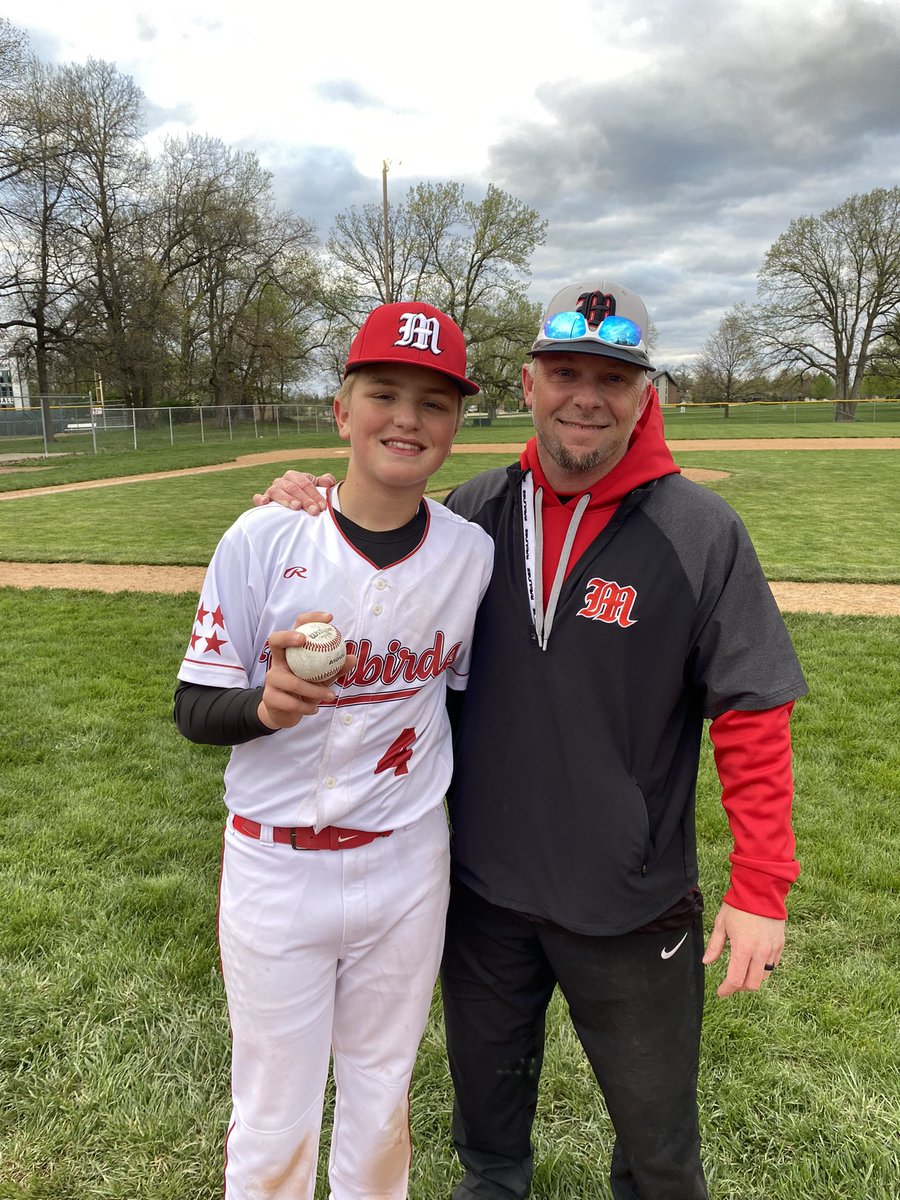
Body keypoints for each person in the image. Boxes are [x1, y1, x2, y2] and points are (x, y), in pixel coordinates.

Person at [255, 280, 808, 1200]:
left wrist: (761, 885)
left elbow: (752, 713)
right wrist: (309, 497)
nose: (585, 396)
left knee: (661, 1156)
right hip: (483, 896)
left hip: (630, 908)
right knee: (489, 1151)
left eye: (611, 377)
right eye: (564, 372)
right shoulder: (469, 513)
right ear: (529, 381)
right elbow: (372, 527)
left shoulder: (699, 533)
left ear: (646, 394)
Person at [174, 301, 494, 1200]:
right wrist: (265, 708)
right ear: (340, 411)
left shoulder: (469, 554)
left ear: (455, 425)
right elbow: (195, 707)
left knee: (382, 1097)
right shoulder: (265, 536)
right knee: (273, 1111)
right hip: (276, 868)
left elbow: (462, 703)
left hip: (406, 864)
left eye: (434, 403)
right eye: (384, 393)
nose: (407, 418)